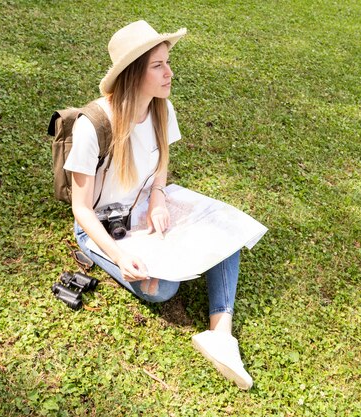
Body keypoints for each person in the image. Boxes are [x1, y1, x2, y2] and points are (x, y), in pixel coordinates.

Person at [63, 20, 253, 390]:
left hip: (144, 210)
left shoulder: (162, 110)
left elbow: (162, 162)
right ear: (134, 74)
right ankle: (103, 257)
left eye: (168, 62)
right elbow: (81, 209)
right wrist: (119, 257)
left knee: (226, 229)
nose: (170, 72)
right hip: (103, 226)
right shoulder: (93, 126)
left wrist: (158, 198)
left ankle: (220, 333)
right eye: (158, 66)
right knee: (162, 290)